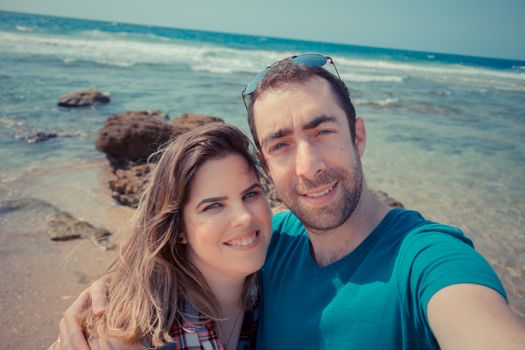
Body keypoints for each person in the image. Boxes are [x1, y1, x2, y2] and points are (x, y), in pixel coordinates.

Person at [56, 54, 525, 349]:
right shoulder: (271, 242)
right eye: (281, 144)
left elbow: (479, 324)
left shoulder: (427, 260)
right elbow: (181, 246)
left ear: (358, 135)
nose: (307, 166)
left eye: (322, 132)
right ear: (265, 162)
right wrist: (107, 290)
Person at [49, 123, 272, 349]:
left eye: (251, 194)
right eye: (213, 206)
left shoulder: (272, 283)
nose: (243, 217)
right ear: (178, 229)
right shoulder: (126, 335)